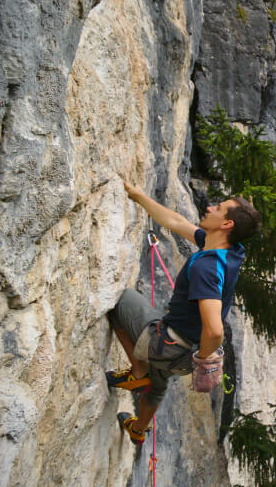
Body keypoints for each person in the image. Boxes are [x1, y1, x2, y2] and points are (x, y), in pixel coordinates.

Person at [107, 180, 261, 445]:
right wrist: (138, 196)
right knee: (157, 385)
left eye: (219, 208)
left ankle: (137, 370)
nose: (210, 207)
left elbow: (214, 330)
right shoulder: (230, 251)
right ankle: (138, 430)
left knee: (119, 300)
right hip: (182, 357)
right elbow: (176, 223)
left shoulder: (208, 269)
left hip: (167, 343)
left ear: (226, 225)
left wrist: (204, 359)